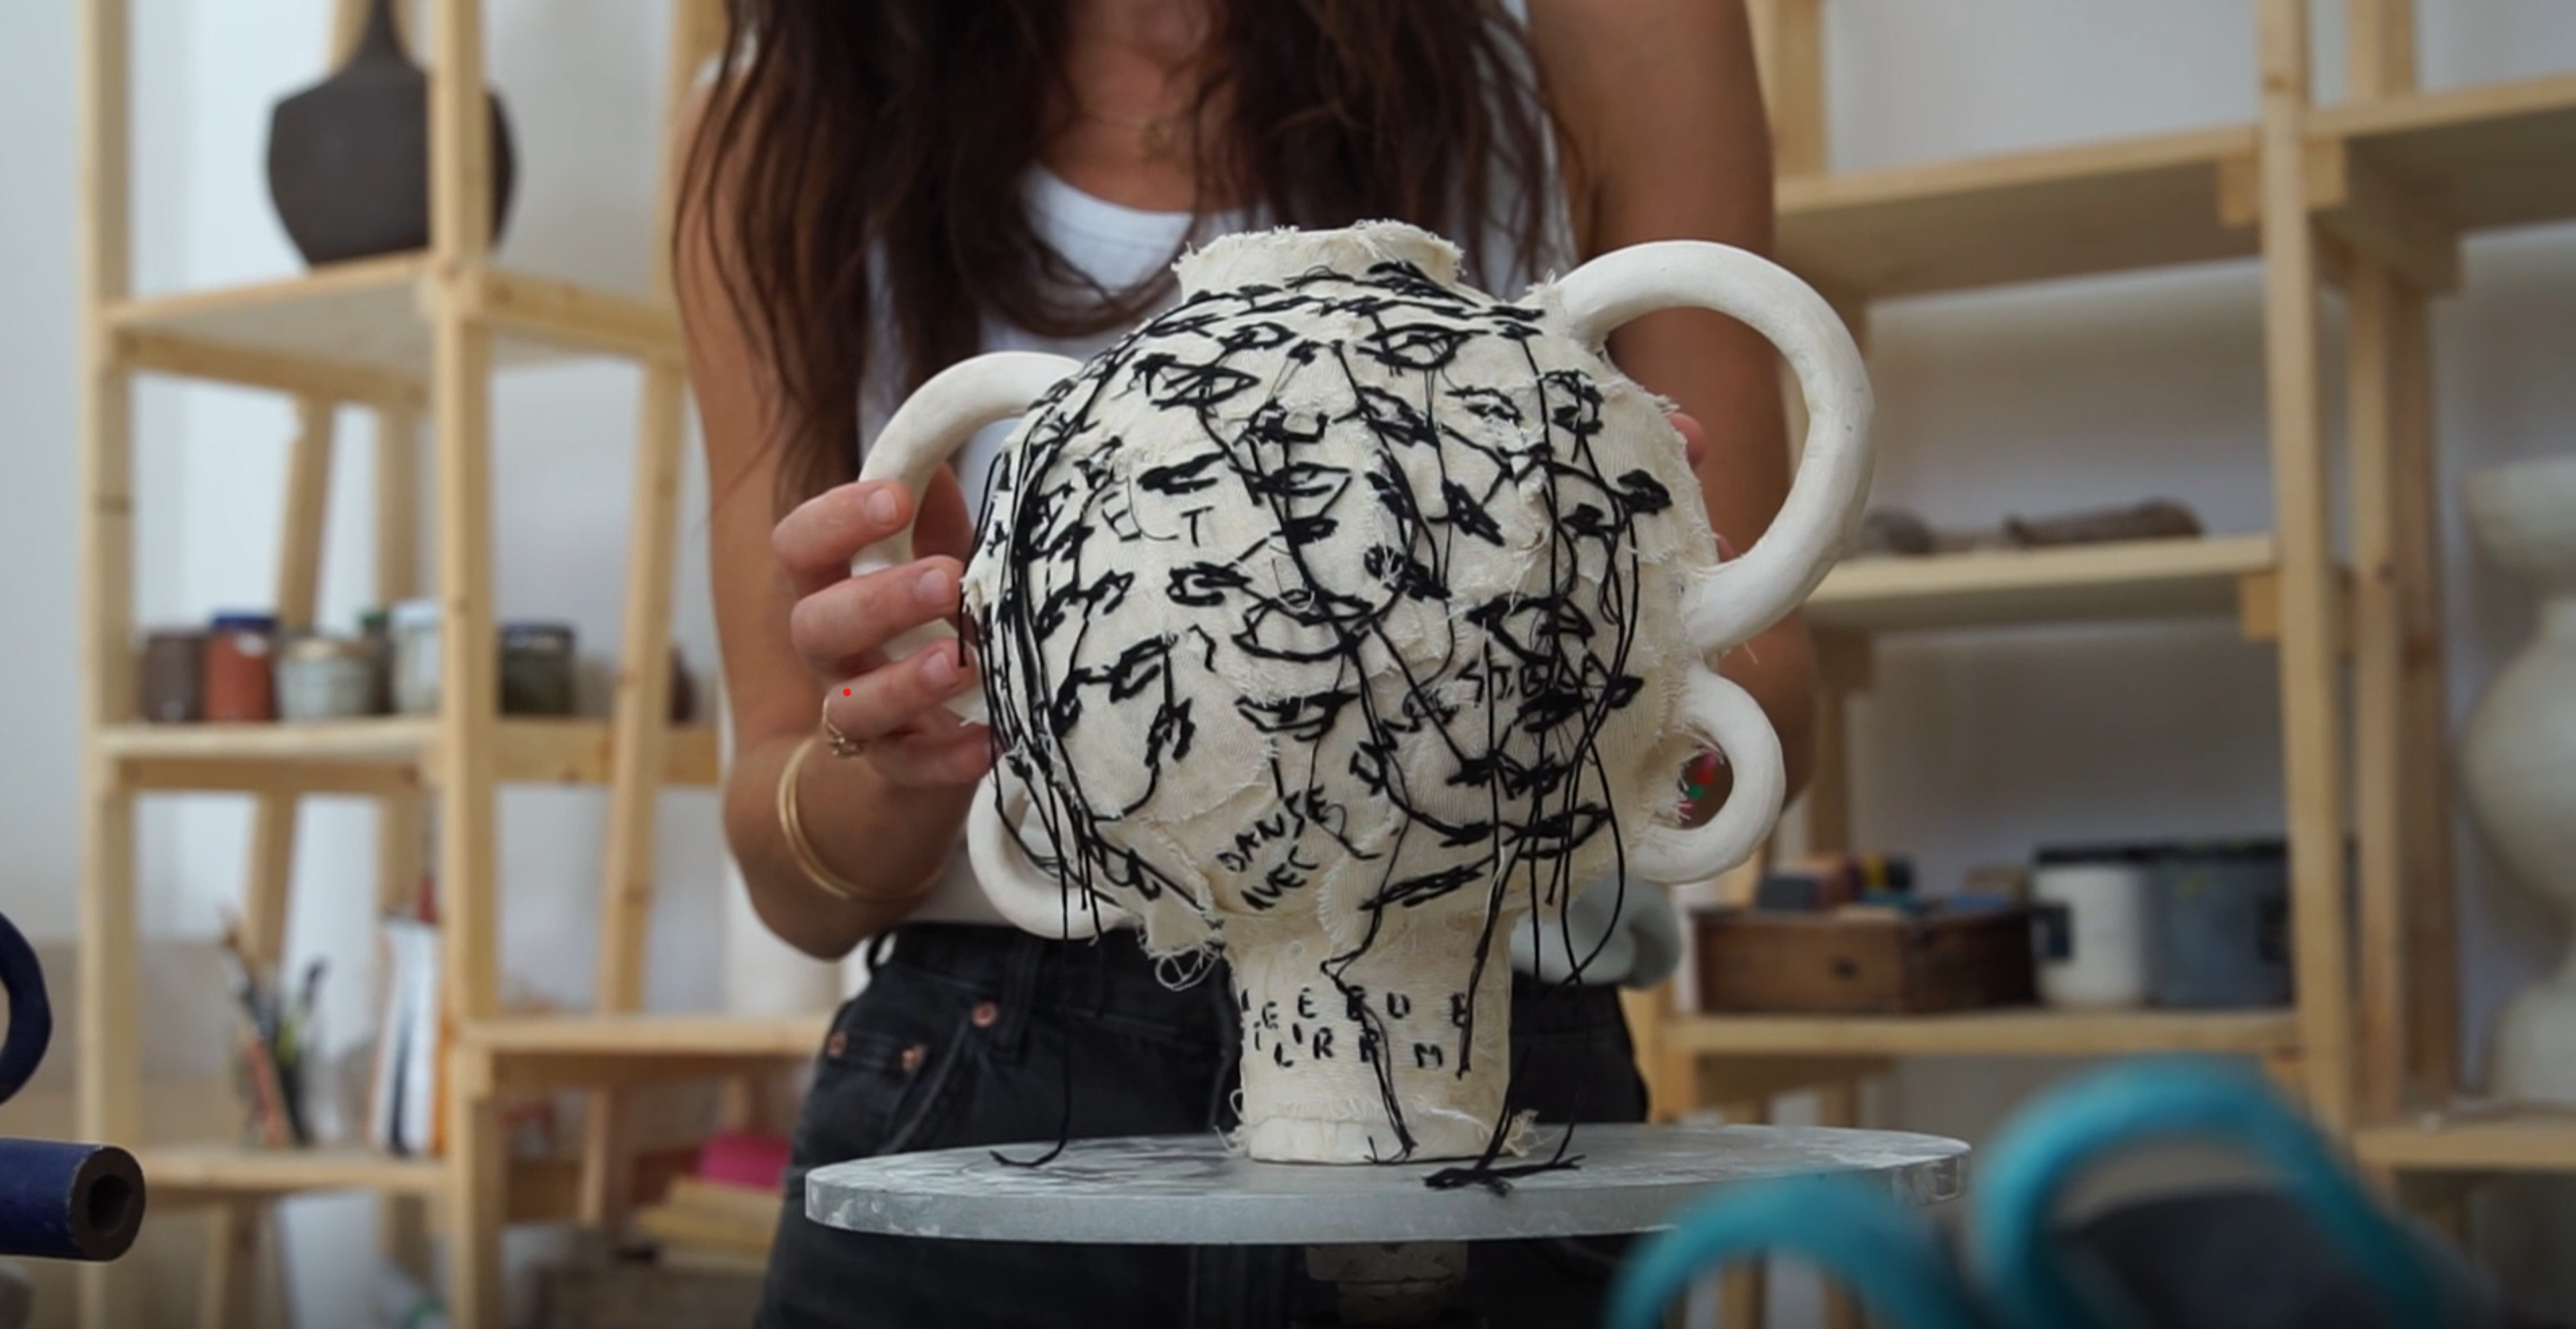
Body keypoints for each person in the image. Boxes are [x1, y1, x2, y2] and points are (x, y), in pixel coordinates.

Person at [671, 1, 1822, 1324]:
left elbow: (1758, 698)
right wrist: (909, 745)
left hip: (1496, 1072)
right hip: (991, 1073)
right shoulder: (788, 117)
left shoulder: (1614, 27)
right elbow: (792, 876)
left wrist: (1620, 653)